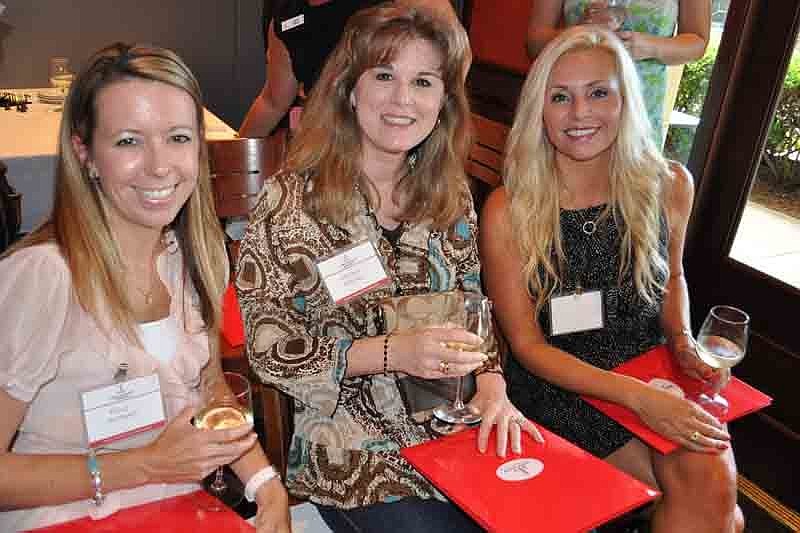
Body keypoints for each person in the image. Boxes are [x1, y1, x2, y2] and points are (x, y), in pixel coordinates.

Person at [236, 5, 542, 532]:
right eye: (384, 75)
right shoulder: (289, 203)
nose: (403, 100)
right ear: (350, 89)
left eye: (423, 81)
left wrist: (492, 384)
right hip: (355, 453)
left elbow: (474, 311)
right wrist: (390, 353)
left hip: (453, 428)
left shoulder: (451, 199)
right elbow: (267, 353)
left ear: (443, 101)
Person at [0, 43, 290, 533]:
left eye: (178, 138)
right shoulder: (44, 277)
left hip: (177, 511)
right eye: (129, 142)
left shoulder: (197, 254)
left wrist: (266, 484)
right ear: (84, 153)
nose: (159, 167)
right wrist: (145, 465)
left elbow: (208, 384)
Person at [480, 26, 742, 532]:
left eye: (598, 92)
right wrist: (638, 398)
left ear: (626, 99)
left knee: (710, 487)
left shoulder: (668, 184)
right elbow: (527, 346)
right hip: (561, 381)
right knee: (711, 508)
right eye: (561, 97)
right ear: (539, 109)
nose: (581, 114)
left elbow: (673, 277)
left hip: (649, 368)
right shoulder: (509, 209)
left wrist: (684, 342)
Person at [238, 0, 460, 138]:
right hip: (329, 149)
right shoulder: (286, 15)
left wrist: (431, 118)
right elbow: (272, 102)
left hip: (400, 144)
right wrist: (231, 154)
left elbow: (457, 53)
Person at [526, 0, 710, 145]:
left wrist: (650, 47)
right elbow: (535, 43)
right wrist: (578, 32)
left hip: (639, 113)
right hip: (574, 111)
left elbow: (697, 42)